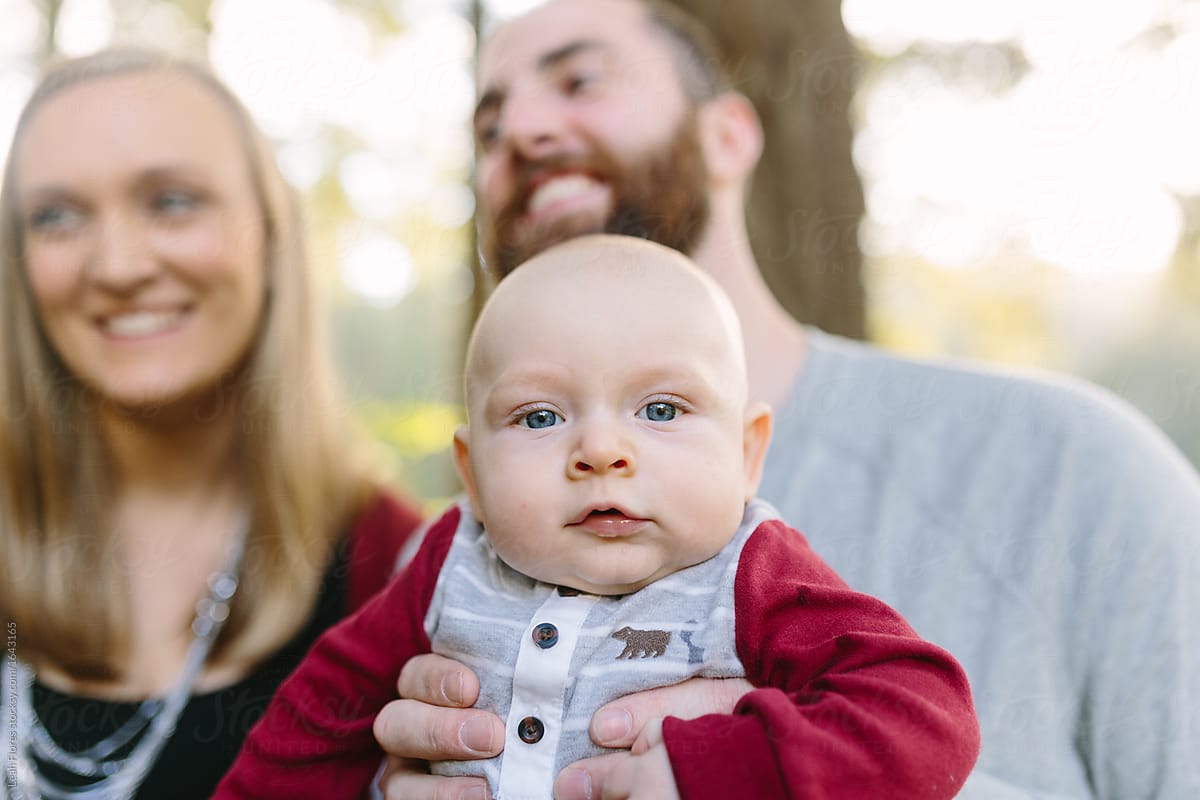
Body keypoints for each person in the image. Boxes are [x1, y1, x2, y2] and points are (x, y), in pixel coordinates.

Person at [373, 2, 1200, 799]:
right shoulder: (455, 563)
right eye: (488, 128)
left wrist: (790, 769)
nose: (521, 133)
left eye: (580, 81)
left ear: (727, 134)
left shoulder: (1077, 473)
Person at [214, 234, 980, 800]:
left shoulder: (751, 574)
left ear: (747, 457)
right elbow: (319, 717)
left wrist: (721, 767)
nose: (602, 450)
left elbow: (924, 709)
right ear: (472, 476)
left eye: (660, 408)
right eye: (540, 416)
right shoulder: (452, 561)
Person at [0, 49, 422, 800]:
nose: (120, 265)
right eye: (57, 217)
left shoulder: (405, 575)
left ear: (268, 233)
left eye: (171, 202)